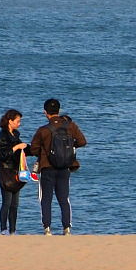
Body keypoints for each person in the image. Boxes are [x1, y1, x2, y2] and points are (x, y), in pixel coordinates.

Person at [29, 98, 87, 236]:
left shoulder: (43, 130)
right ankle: (67, 228)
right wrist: (68, 147)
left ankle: (47, 228)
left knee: (46, 198)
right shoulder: (70, 126)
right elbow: (82, 141)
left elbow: (33, 149)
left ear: (45, 112)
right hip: (65, 166)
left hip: (47, 167)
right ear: (59, 111)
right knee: (64, 198)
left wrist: (45, 151)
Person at [0, 110, 28, 235]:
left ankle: (13, 230)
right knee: (7, 202)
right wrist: (15, 148)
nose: (19, 124)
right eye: (17, 121)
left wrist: (30, 149)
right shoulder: (2, 137)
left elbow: (22, 150)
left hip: (15, 172)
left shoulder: (15, 135)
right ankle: (3, 229)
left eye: (19, 121)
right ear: (10, 121)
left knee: (15, 204)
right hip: (5, 172)